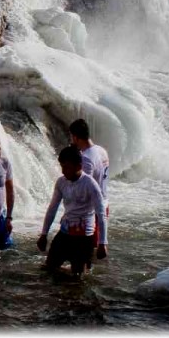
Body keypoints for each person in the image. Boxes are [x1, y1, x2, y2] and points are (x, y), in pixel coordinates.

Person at [37, 145, 106, 278]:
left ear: (78, 166)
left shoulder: (90, 185)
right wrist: (44, 234)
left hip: (84, 238)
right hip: (64, 233)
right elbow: (52, 209)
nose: (63, 171)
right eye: (62, 166)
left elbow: (101, 214)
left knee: (78, 278)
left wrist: (103, 243)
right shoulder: (61, 182)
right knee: (48, 270)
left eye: (66, 167)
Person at [70, 119, 110, 257]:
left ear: (75, 137)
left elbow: (84, 187)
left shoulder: (86, 158)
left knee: (87, 248)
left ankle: (85, 274)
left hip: (92, 209)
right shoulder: (102, 151)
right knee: (92, 248)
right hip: (104, 203)